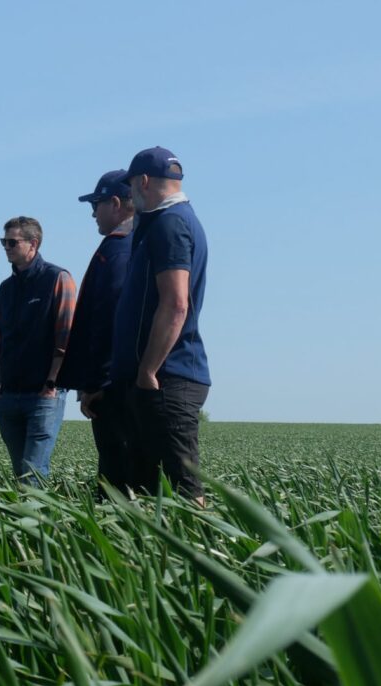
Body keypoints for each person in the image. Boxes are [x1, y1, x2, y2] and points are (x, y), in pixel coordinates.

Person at [110, 147, 210, 503]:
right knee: (151, 490)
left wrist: (148, 370)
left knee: (182, 490)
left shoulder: (171, 223)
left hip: (168, 377)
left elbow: (175, 303)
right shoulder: (162, 222)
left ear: (144, 181)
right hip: (159, 376)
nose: (130, 194)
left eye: (132, 185)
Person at [59, 170, 136, 498]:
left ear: (116, 203)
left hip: (113, 387)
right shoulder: (140, 241)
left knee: (115, 479)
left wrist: (97, 384)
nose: (93, 212)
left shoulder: (118, 248)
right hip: (128, 380)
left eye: (97, 204)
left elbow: (109, 317)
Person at [0, 216, 76, 485]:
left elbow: (66, 335)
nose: (6, 247)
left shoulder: (57, 278)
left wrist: (51, 383)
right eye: (4, 241)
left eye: (12, 242)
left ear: (33, 244)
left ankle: (39, 524)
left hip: (43, 394)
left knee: (32, 474)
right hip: (9, 395)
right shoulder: (5, 289)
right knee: (21, 474)